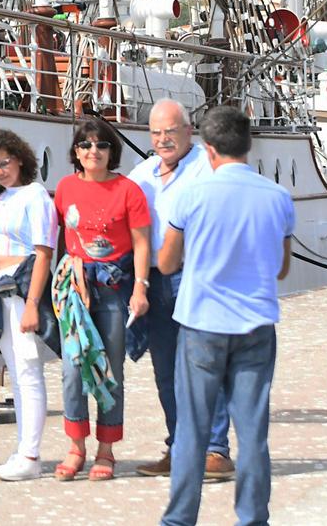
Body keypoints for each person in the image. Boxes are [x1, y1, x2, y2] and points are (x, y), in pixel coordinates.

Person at [155, 105, 294, 526]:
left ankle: (180, 519)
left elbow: (166, 263)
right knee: (252, 433)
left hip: (202, 325)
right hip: (255, 325)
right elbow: (281, 268)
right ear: (248, 146)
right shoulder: (278, 197)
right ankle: (253, 519)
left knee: (193, 431)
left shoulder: (190, 195)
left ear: (208, 149)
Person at [130, 99, 234, 481]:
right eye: (156, 133)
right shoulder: (140, 173)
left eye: (170, 131)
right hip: (155, 279)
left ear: (189, 131)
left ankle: (216, 450)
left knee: (204, 364)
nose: (162, 139)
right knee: (166, 370)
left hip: (197, 275)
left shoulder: (209, 168)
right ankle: (180, 446)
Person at [52, 114, 151, 481]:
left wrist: (140, 287)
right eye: (85, 144)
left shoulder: (128, 191)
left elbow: (142, 242)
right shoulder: (64, 188)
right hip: (77, 290)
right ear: (76, 152)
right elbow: (62, 236)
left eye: (102, 144)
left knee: (110, 370)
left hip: (113, 289)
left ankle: (106, 449)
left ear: (113, 151)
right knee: (72, 368)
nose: (93, 150)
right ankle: (76, 445)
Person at [0, 127, 55, 482]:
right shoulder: (0, 197)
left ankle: (31, 453)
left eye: (4, 163)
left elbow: (43, 254)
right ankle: (24, 447)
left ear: (20, 159)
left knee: (27, 371)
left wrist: (32, 304)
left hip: (19, 291)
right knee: (17, 371)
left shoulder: (35, 196)